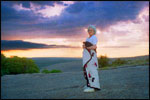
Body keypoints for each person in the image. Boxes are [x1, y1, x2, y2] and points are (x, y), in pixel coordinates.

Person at [82, 25, 101, 92]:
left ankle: (95, 86)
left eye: (91, 30)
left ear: (94, 31)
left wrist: (87, 47)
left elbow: (94, 47)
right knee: (88, 70)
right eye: (89, 30)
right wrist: (84, 46)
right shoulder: (88, 38)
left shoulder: (94, 37)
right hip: (88, 57)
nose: (90, 31)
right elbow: (86, 46)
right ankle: (89, 84)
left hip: (91, 57)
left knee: (92, 70)